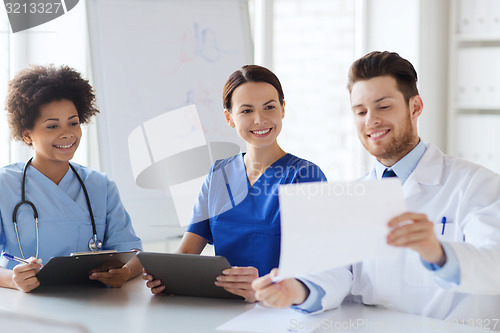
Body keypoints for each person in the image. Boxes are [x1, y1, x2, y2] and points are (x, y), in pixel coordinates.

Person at [252, 51, 500, 325]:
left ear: (415, 107)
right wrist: (297, 290)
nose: (370, 120)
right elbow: (338, 271)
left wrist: (438, 253)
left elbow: (495, 265)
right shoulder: (355, 195)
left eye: (383, 107)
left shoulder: (476, 185)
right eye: (360, 111)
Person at [144, 65, 327, 301]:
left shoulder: (306, 176)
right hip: (223, 307)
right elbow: (188, 251)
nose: (259, 120)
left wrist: (263, 287)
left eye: (269, 107)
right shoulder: (218, 174)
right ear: (229, 117)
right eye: (247, 111)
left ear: (282, 109)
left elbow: (316, 266)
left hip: (281, 310)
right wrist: (165, 277)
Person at [0, 65, 143, 292]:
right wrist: (11, 280)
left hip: (93, 304)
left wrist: (124, 273)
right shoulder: (4, 185)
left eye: (73, 122)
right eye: (52, 126)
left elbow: (133, 253)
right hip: (27, 306)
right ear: (27, 134)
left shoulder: (100, 186)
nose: (67, 133)